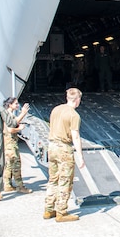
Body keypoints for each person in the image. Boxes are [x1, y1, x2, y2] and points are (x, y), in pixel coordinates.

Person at [43, 87, 86, 222]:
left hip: (52, 146)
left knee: (53, 179)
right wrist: (80, 156)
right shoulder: (74, 115)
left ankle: (49, 209)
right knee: (65, 180)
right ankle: (61, 212)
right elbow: (76, 137)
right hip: (64, 148)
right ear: (77, 100)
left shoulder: (56, 109)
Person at [2, 97, 32, 194]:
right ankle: (20, 186)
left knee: (9, 165)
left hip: (8, 143)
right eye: (15, 104)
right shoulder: (7, 115)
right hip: (10, 143)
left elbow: (15, 122)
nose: (17, 105)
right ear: (10, 105)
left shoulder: (7, 114)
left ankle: (7, 185)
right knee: (16, 164)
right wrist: (20, 128)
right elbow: (10, 129)